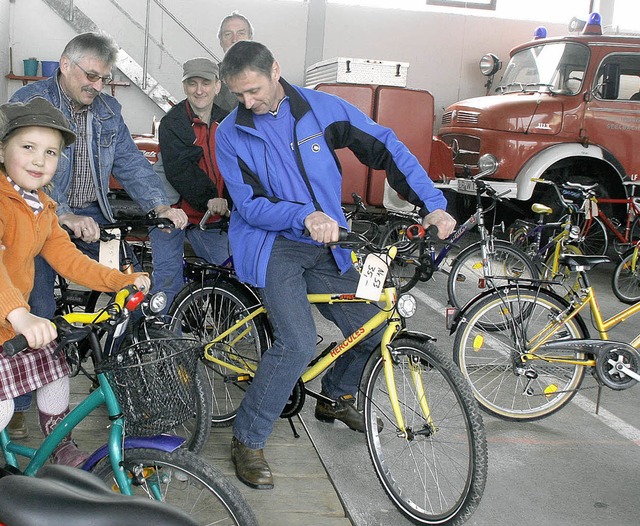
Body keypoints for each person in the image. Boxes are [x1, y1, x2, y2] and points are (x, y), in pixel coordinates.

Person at [215, 40, 457, 490]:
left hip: (329, 242)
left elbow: (385, 148)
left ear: (276, 70)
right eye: (239, 95)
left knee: (375, 323)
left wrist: (432, 205)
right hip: (272, 244)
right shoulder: (231, 132)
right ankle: (247, 439)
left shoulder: (322, 110)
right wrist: (303, 215)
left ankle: (336, 397)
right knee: (298, 341)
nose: (247, 102)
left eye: (253, 91)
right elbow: (248, 204)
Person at [7, 31, 187, 438]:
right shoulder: (30, 103)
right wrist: (65, 215)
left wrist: (158, 204)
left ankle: (118, 388)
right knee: (35, 307)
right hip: (42, 215)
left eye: (104, 78)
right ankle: (17, 404)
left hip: (95, 215)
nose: (97, 86)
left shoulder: (107, 109)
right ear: (65, 65)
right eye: (91, 75)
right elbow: (23, 173)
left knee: (133, 296)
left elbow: (130, 161)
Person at [0, 97, 151, 466]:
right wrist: (20, 313)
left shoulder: (42, 205)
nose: (40, 160)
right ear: (2, 149)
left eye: (51, 152)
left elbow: (68, 259)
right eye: (28, 147)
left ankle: (59, 445)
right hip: (12, 316)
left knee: (55, 371)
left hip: (10, 322)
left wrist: (119, 280)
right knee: (2, 410)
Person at [149, 58, 231, 310]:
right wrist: (210, 198)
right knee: (167, 278)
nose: (199, 90)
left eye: (205, 83)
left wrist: (228, 201)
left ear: (217, 86)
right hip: (173, 211)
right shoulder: (173, 122)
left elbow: (236, 167)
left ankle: (229, 330)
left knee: (228, 273)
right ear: (185, 87)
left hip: (210, 214)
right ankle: (164, 335)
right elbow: (180, 170)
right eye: (192, 83)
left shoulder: (228, 122)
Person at [215, 11, 254, 111]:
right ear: (220, 40)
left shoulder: (268, 74)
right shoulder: (210, 77)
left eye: (241, 33)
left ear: (250, 38)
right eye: (228, 34)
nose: (235, 40)